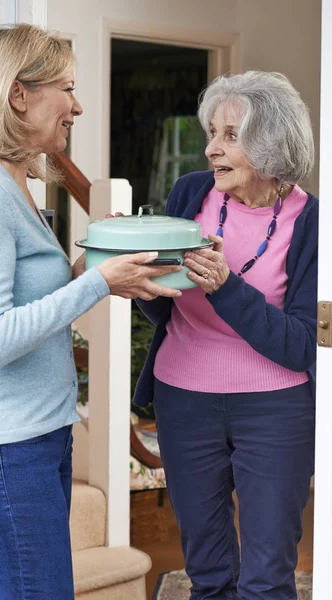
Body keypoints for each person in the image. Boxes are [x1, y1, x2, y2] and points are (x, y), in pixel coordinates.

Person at [0, 24, 182, 600]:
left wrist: (94, 267)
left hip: (37, 436)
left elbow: (28, 296)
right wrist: (97, 282)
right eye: (65, 90)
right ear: (18, 94)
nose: (77, 106)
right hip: (4, 450)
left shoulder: (16, 183)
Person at [134, 71, 318, 600]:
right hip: (183, 398)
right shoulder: (190, 192)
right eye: (211, 133)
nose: (212, 148)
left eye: (230, 135)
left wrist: (226, 287)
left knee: (266, 578)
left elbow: (304, 342)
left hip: (275, 409)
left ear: (272, 141)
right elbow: (165, 302)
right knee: (208, 574)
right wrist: (138, 276)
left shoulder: (313, 223)